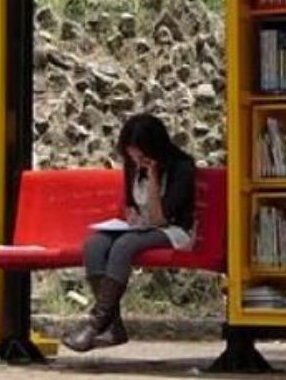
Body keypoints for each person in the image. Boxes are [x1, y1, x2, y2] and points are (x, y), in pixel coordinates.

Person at [63, 113, 196, 352]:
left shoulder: (182, 167)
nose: (135, 158)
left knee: (124, 245)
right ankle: (113, 324)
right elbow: (131, 205)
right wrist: (132, 216)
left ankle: (96, 322)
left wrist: (153, 176)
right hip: (141, 228)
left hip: (174, 231)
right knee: (95, 244)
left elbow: (160, 218)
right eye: (131, 153)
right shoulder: (132, 164)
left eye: (140, 153)